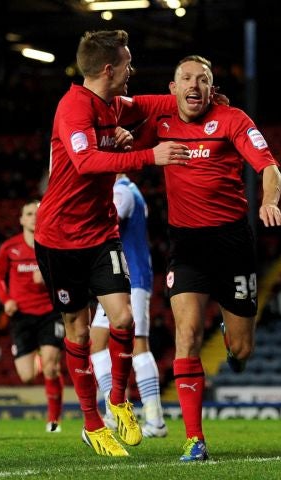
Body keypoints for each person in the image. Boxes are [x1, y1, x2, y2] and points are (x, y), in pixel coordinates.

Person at [33, 29, 189, 457]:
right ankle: (91, 423)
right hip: (60, 237)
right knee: (79, 330)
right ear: (108, 69)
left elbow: (151, 104)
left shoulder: (112, 105)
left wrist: (201, 101)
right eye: (127, 63)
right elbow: (85, 163)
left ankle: (117, 400)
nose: (132, 70)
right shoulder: (73, 108)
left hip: (101, 234)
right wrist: (147, 155)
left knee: (122, 321)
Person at [125, 55, 281, 461]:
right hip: (187, 246)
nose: (194, 86)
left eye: (203, 80)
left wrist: (269, 201)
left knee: (242, 347)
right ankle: (195, 439)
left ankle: (235, 350)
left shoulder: (232, 119)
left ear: (212, 89)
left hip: (232, 244)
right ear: (173, 88)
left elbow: (269, 167)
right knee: (188, 332)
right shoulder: (159, 124)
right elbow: (123, 143)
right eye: (186, 79)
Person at [90, 173, 167, 439]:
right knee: (97, 342)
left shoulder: (121, 191)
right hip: (123, 278)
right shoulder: (130, 189)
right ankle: (115, 409)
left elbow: (107, 222)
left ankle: (155, 419)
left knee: (139, 345)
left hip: (131, 278)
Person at [0, 200, 64, 434]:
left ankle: (54, 421)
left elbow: (72, 274)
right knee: (27, 376)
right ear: (21, 219)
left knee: (52, 367)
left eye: (38, 213)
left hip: (51, 313)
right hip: (21, 316)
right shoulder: (10, 248)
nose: (34, 217)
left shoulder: (54, 245)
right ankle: (39, 358)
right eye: (29, 214)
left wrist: (50, 276)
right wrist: (6, 300)